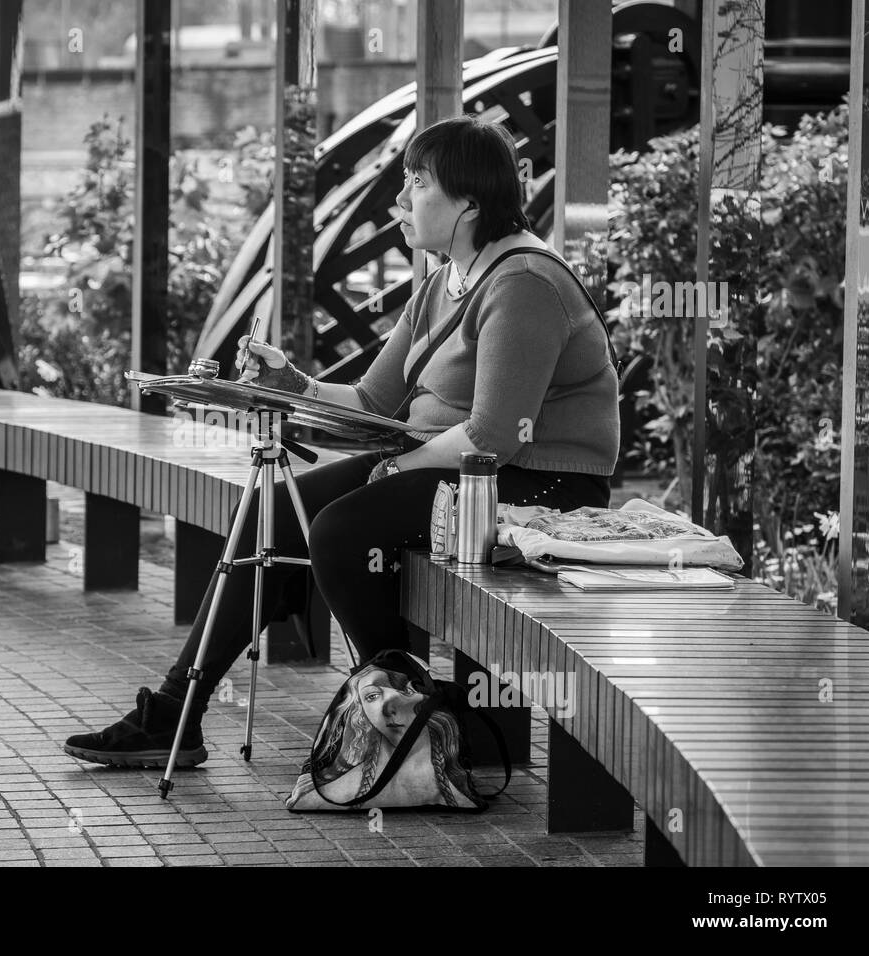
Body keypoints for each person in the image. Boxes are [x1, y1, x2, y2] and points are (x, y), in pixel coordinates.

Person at [62, 115, 620, 769]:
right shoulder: (446, 280)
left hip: (539, 482)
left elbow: (494, 436)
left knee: (340, 530)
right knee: (276, 514)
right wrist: (290, 384)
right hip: (454, 471)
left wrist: (399, 465)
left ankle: (404, 714)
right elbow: (373, 402)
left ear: (468, 200)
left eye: (416, 184)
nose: (400, 201)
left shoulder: (522, 284)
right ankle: (174, 716)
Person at [284, 667, 483, 810]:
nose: (387, 708)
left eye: (403, 693)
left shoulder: (330, 791)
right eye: (371, 697)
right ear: (360, 714)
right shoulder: (332, 789)